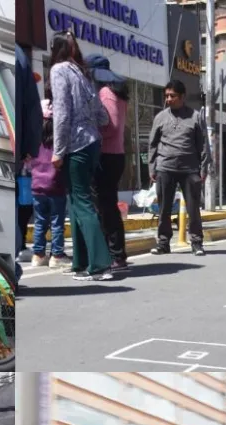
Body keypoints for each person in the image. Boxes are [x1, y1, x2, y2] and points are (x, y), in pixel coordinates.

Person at [49, 30, 114, 281]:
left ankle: (99, 265)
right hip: (92, 142)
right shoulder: (82, 72)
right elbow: (102, 115)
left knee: (82, 203)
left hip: (74, 145)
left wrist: (58, 150)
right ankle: (81, 263)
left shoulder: (59, 71)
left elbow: (62, 114)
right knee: (76, 203)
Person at [148, 79, 210, 257]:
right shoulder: (160, 117)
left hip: (190, 170)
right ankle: (163, 243)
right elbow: (152, 145)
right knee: (164, 209)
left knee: (193, 209)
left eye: (172, 96)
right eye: (166, 95)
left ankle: (197, 242)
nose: (168, 99)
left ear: (182, 97)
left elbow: (204, 144)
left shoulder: (195, 117)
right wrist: (152, 168)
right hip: (165, 168)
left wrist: (203, 168)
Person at [87, 54, 130, 272]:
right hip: (115, 155)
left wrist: (91, 130)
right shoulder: (117, 94)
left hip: (106, 155)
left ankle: (115, 255)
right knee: (107, 207)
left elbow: (110, 128)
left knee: (104, 208)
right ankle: (115, 254)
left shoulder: (106, 93)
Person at [28, 95, 70, 268]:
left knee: (40, 222)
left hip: (37, 187)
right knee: (57, 223)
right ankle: (57, 256)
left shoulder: (34, 142)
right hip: (56, 187)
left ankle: (38, 255)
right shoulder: (59, 143)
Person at [17, 44, 43, 284]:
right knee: (26, 210)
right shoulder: (20, 58)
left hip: (28, 169)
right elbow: (33, 113)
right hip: (26, 164)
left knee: (26, 209)